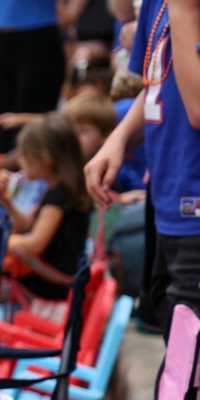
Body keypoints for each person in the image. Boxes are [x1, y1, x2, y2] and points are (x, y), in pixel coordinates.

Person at [86, 0, 200, 362]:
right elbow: (157, 82)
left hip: (194, 206)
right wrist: (118, 140)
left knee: (187, 368)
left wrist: (183, 10)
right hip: (167, 198)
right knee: (175, 350)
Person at [0, 115, 93, 323]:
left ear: (46, 160)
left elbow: (34, 244)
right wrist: (6, 200)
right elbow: (26, 224)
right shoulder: (57, 188)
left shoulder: (58, 197)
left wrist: (2, 243)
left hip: (53, 284)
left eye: (25, 157)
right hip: (54, 277)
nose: (20, 162)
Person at [0, 0, 68, 154]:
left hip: (39, 36)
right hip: (2, 36)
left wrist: (72, 13)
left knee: (30, 136)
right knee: (1, 130)